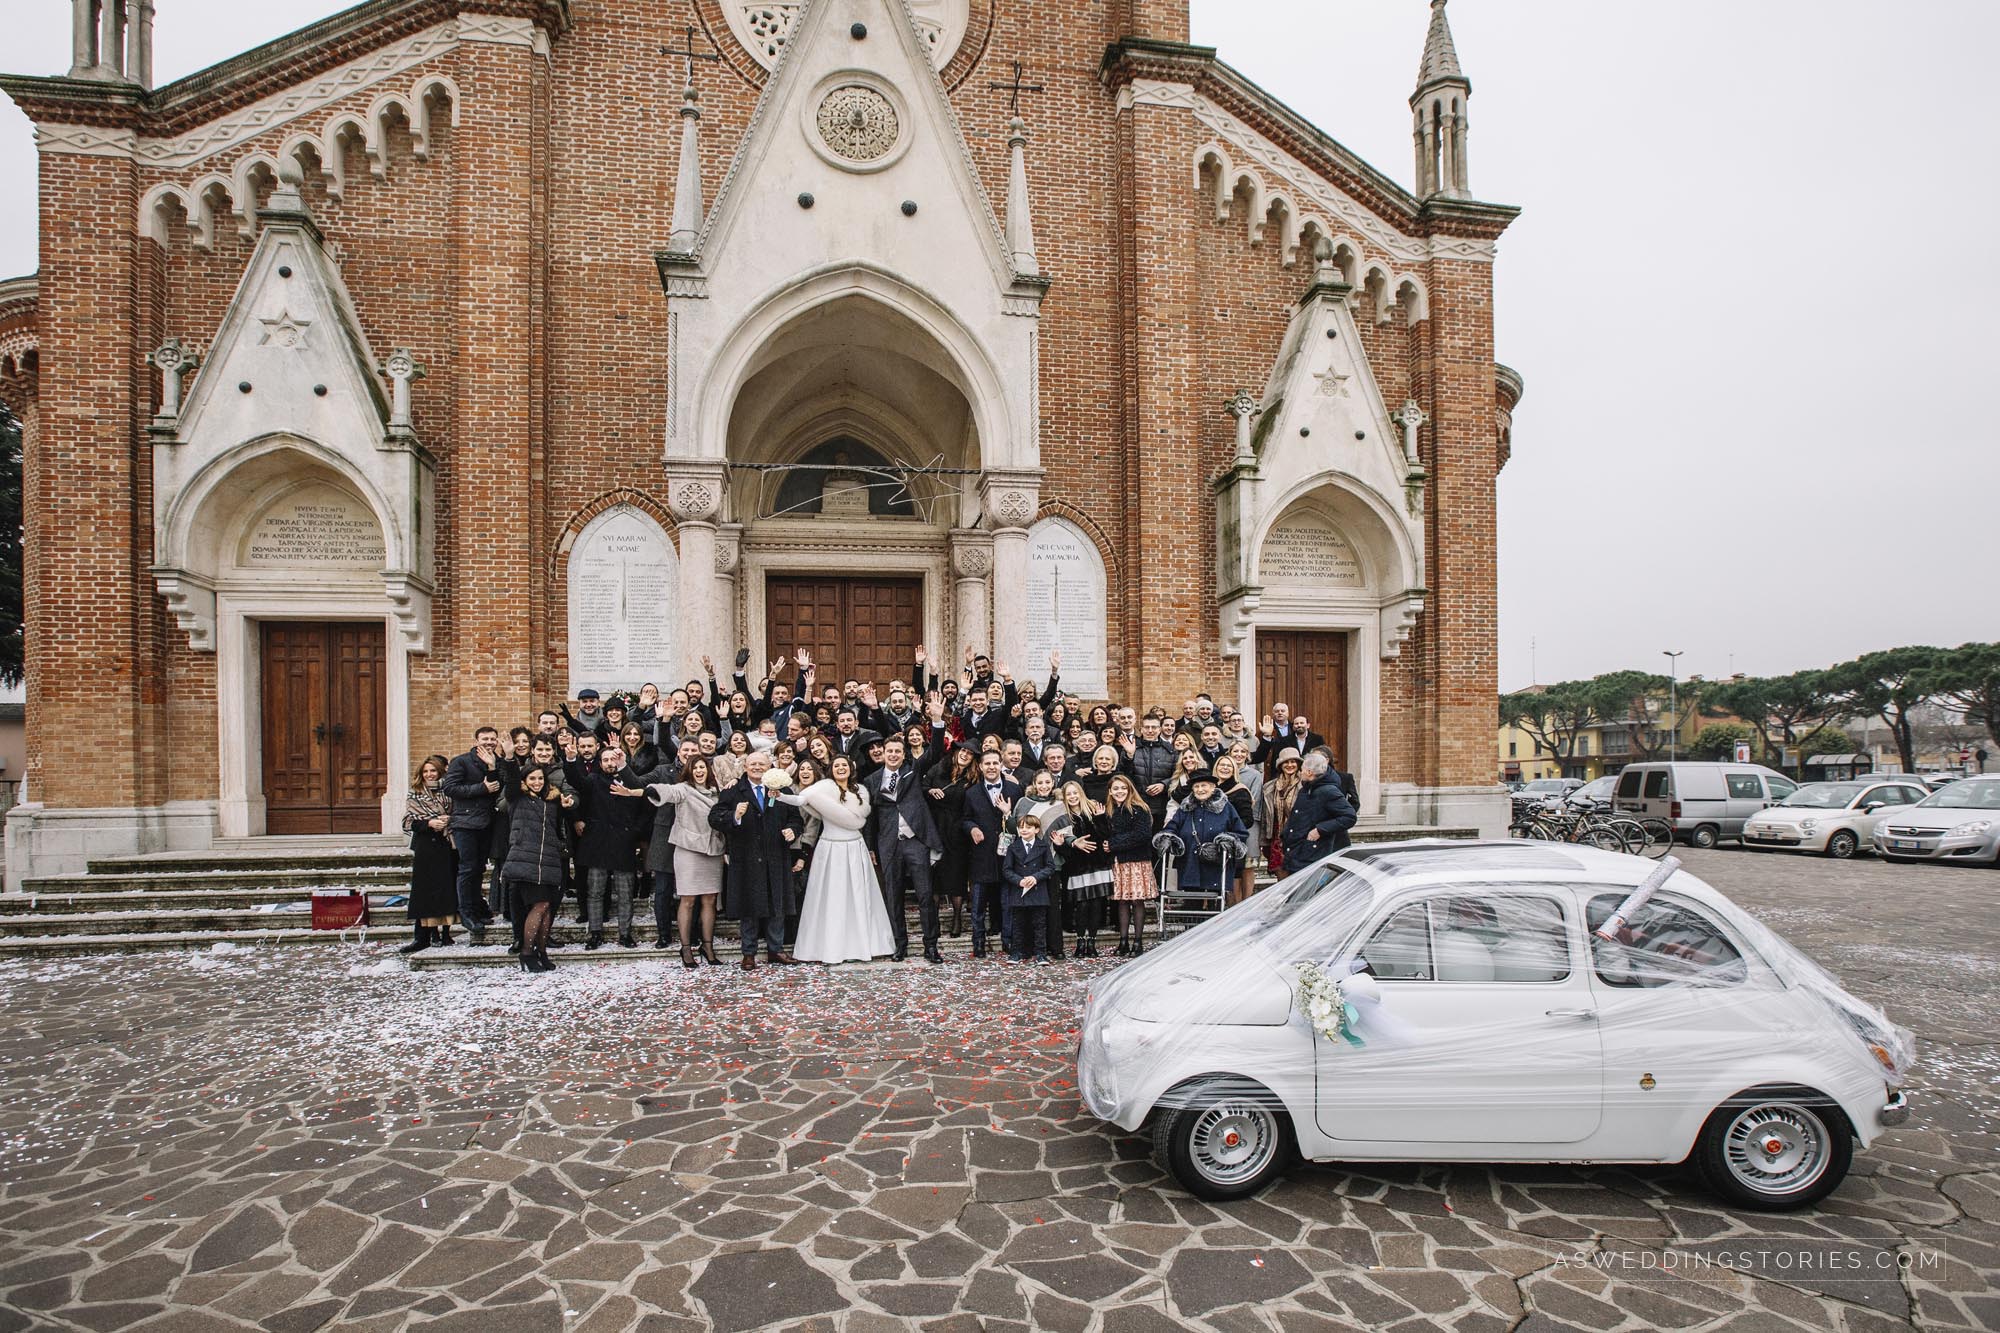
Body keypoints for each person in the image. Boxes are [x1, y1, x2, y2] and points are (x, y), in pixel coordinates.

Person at [783, 754, 895, 964]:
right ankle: (829, 948)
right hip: (830, 847)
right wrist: (778, 795)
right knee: (830, 897)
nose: (840, 768)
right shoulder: (823, 788)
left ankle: (864, 945)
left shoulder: (860, 790)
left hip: (854, 846)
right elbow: (800, 800)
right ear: (831, 769)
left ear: (850, 769)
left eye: (844, 765)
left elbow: (859, 820)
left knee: (859, 896)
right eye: (836, 766)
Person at [709, 751, 803, 969]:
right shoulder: (734, 791)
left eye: (762, 763)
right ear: (745, 766)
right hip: (746, 857)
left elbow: (796, 818)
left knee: (776, 905)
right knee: (749, 907)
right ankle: (748, 953)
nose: (757, 767)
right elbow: (714, 817)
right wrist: (735, 816)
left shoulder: (782, 790)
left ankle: (776, 950)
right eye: (753, 764)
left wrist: (792, 830)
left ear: (769, 765)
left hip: (776, 855)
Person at [865, 736, 944, 964]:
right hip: (889, 844)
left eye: (897, 751)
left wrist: (937, 721)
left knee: (926, 895)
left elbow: (934, 752)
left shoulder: (913, 772)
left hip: (915, 841)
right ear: (883, 753)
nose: (893, 755)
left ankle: (931, 946)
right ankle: (900, 944)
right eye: (889, 751)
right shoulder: (872, 780)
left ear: (903, 754)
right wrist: (871, 846)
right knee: (893, 896)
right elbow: (871, 818)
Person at [645, 753, 728, 969]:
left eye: (702, 767)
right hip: (689, 850)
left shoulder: (717, 793)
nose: (699, 771)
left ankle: (707, 946)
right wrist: (652, 790)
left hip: (713, 850)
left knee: (710, 899)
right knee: (688, 900)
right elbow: (668, 791)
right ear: (689, 771)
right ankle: (686, 948)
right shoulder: (684, 789)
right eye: (695, 768)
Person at [574, 746, 650, 949]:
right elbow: (577, 786)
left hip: (623, 843)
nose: (609, 763)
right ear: (600, 763)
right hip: (597, 844)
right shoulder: (593, 781)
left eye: (613, 759)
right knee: (595, 892)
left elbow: (644, 805)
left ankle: (625, 933)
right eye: (605, 760)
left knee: (625, 893)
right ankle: (595, 933)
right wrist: (572, 759)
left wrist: (634, 831)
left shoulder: (630, 780)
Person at [501, 764, 574, 973]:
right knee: (539, 905)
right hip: (526, 860)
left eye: (540, 778)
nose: (537, 782)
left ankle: (541, 952)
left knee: (547, 908)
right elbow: (511, 780)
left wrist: (568, 805)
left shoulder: (552, 801)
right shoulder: (518, 798)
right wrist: (508, 758)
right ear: (524, 781)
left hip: (549, 860)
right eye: (532, 778)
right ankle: (527, 952)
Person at [441, 726, 504, 944]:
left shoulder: (496, 760)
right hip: (465, 823)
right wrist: (481, 788)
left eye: (492, 739)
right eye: (485, 739)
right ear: (476, 740)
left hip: (487, 823)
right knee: (468, 867)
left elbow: (498, 787)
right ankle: (466, 912)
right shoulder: (461, 761)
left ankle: (478, 908)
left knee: (479, 868)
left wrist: (492, 768)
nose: (489, 742)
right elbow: (449, 788)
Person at [961, 750, 1022, 959]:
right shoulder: (971, 792)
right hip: (982, 855)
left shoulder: (1015, 790)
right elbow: (964, 818)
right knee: (978, 904)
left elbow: (1023, 821)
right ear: (980, 766)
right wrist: (971, 828)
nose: (991, 767)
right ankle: (978, 942)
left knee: (1007, 902)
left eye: (995, 763)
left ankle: (1008, 940)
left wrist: (1008, 813)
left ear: (1001, 765)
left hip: (1008, 856)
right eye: (987, 763)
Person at [1167, 768, 1251, 909]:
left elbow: (1240, 832)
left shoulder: (1226, 807)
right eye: (1196, 786)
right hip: (1190, 864)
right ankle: (1192, 930)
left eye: (1204, 785)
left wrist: (1227, 841)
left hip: (1217, 865)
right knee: (1191, 905)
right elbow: (1172, 827)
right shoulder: (1185, 808)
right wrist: (1167, 838)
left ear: (1213, 787)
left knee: (1216, 906)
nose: (1200, 789)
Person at [399, 754, 457, 953]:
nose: (429, 774)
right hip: (426, 847)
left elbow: (459, 812)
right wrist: (429, 823)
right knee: (424, 892)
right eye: (426, 771)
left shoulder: (449, 790)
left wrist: (449, 819)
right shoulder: (415, 793)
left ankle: (446, 932)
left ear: (440, 772)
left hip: (447, 844)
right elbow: (408, 822)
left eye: (433, 771)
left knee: (447, 889)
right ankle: (423, 935)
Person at [1053, 779, 1112, 958]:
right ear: (1064, 797)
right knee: (1082, 904)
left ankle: (1091, 942)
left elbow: (1106, 836)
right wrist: (1062, 845)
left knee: (1096, 904)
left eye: (1075, 793)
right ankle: (1080, 942)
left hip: (1097, 863)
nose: (1072, 797)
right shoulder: (1064, 818)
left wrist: (1101, 818)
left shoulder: (1093, 811)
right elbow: (1064, 848)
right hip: (1076, 866)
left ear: (1081, 793)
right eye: (1068, 794)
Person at [1105, 773, 1158, 956]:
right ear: (1110, 792)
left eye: (1123, 788)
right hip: (1119, 863)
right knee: (1122, 901)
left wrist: (1114, 844)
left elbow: (1142, 835)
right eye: (1116, 788)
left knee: (1136, 900)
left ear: (1129, 790)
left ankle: (1138, 941)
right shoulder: (1110, 811)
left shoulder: (1139, 808)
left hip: (1136, 861)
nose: (1119, 791)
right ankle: (1123, 941)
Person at [1279, 751, 1359, 871]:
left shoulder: (1328, 791)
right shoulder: (1307, 790)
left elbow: (1349, 816)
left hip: (1312, 853)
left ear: (1310, 773)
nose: (1300, 772)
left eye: (1302, 769)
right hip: (1298, 851)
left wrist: (1320, 829)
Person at [927, 746, 977, 938]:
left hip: (957, 831)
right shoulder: (939, 769)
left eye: (970, 753)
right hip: (935, 826)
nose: (965, 755)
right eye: (962, 751)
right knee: (934, 876)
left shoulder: (971, 779)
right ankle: (934, 920)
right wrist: (931, 791)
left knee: (957, 877)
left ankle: (957, 918)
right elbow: (923, 788)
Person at [1001, 812, 1056, 964]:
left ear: (1037, 829)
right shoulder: (1013, 847)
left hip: (1038, 891)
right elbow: (1006, 869)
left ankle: (1041, 954)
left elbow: (1050, 867)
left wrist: (1035, 877)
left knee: (1039, 925)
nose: (1024, 830)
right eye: (1021, 827)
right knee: (1018, 924)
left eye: (1028, 827)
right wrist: (1019, 881)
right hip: (1019, 891)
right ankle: (1016, 952)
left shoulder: (1043, 846)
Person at [1212, 755, 1258, 906]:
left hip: (1232, 842)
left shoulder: (1240, 791)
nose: (1224, 768)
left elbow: (1247, 820)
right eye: (1221, 765)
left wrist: (1229, 831)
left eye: (1228, 766)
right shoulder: (1211, 790)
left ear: (1234, 770)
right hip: (1212, 841)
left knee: (1232, 881)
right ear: (1216, 768)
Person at [1258, 748, 1305, 878]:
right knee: (1281, 877)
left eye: (1293, 762)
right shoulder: (1270, 787)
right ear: (1280, 765)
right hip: (1277, 836)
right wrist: (1263, 841)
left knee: (1298, 876)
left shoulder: (1305, 785)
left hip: (1298, 836)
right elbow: (1265, 816)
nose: (1290, 765)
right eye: (1286, 762)